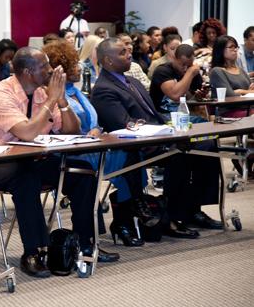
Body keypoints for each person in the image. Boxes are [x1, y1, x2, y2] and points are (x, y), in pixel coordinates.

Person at [0, 47, 111, 278]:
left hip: (31, 160)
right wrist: (51, 100)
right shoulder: (0, 94)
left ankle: (85, 243)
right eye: (44, 66)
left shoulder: (41, 93)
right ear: (27, 71)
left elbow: (71, 131)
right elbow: (26, 133)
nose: (50, 70)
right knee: (25, 176)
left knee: (82, 171)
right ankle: (34, 252)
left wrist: (62, 102)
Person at [91, 38, 222, 240]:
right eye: (123, 52)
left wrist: (169, 128)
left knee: (206, 143)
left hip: (158, 135)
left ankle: (194, 209)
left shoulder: (132, 81)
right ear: (108, 60)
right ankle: (173, 217)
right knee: (181, 153)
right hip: (137, 145)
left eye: (128, 51)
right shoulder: (103, 89)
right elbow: (124, 125)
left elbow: (154, 113)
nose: (129, 55)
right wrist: (161, 132)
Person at [43, 40, 145, 248]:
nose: (79, 68)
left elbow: (94, 122)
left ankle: (125, 218)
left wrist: (96, 130)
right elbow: (60, 129)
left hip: (91, 146)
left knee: (133, 156)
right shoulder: (51, 96)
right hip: (70, 153)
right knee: (126, 159)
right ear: (58, 71)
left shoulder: (77, 92)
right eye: (72, 65)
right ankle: (126, 217)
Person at [150, 44, 208, 121]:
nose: (185, 68)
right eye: (183, 64)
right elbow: (175, 95)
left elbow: (196, 97)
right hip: (163, 115)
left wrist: (200, 95)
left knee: (207, 120)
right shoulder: (162, 71)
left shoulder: (192, 71)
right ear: (174, 58)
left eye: (189, 65)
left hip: (185, 113)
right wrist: (190, 73)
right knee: (201, 122)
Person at [210, 36, 254, 104]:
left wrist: (240, 91)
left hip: (248, 107)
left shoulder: (241, 70)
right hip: (230, 110)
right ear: (221, 50)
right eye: (231, 47)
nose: (235, 49)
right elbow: (230, 96)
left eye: (236, 47)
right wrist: (247, 92)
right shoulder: (217, 71)